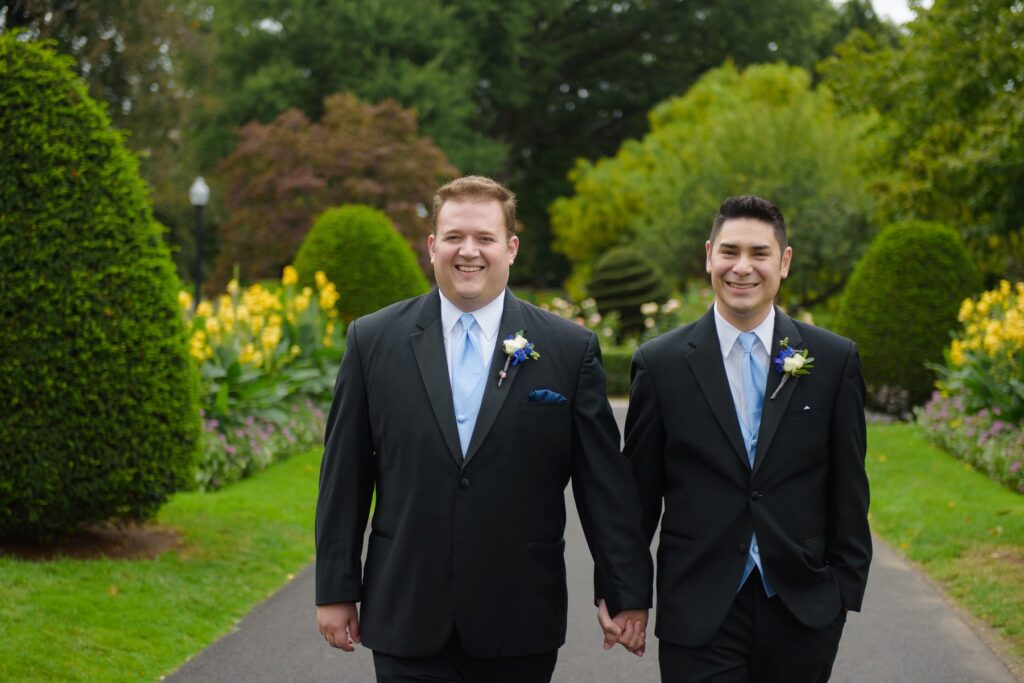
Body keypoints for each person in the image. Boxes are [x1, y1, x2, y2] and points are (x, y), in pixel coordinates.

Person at [315, 175, 652, 682]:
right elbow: (344, 478)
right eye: (454, 237)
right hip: (407, 610)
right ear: (433, 245)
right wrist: (336, 589)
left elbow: (603, 486)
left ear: (510, 248)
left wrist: (624, 592)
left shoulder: (569, 349)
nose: (468, 251)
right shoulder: (373, 341)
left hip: (519, 614)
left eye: (484, 238)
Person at [624, 195, 872, 682]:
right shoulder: (659, 364)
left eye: (759, 253)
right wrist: (626, 593)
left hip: (803, 607)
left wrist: (842, 592)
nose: (742, 267)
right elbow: (637, 496)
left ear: (784, 262)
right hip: (698, 607)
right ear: (709, 255)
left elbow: (849, 485)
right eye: (729, 251)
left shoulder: (833, 360)